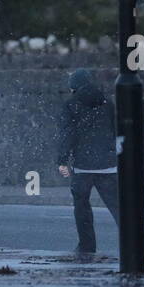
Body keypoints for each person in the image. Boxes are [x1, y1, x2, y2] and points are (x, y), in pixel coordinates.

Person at [56, 68, 119, 257]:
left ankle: (87, 246)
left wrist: (62, 160)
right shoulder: (108, 104)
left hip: (82, 165)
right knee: (117, 206)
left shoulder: (71, 105)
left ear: (73, 87)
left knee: (82, 206)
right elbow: (116, 130)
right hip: (108, 164)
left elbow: (68, 134)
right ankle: (130, 240)